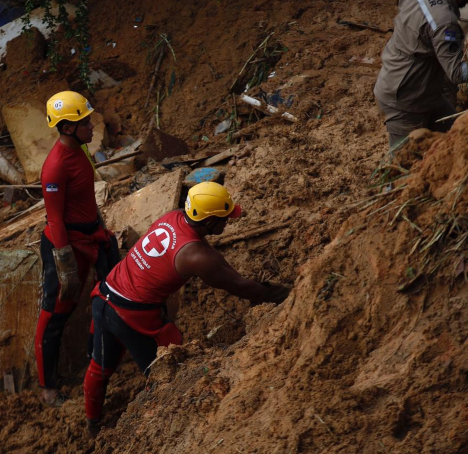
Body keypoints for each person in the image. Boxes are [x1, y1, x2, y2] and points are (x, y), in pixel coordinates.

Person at [82, 182, 290, 432]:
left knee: (99, 365)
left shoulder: (173, 216)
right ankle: (160, 425)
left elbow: (215, 262)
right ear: (210, 221)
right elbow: (241, 287)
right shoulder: (196, 256)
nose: (228, 222)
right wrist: (286, 294)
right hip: (131, 315)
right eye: (224, 218)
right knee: (170, 367)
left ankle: (92, 425)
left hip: (104, 295)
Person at [35, 91, 119, 406]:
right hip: (66, 244)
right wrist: (64, 262)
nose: (92, 126)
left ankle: (98, 358)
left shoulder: (81, 149)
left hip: (92, 235)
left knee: (115, 293)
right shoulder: (55, 167)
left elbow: (86, 199)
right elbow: (55, 219)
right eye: (85, 122)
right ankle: (48, 387)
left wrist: (100, 225)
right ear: (68, 128)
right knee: (56, 312)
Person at [374, 0, 468, 150]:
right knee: (405, 163)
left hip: (421, 90)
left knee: (460, 134)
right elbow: (457, 72)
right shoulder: (444, 21)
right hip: (405, 101)